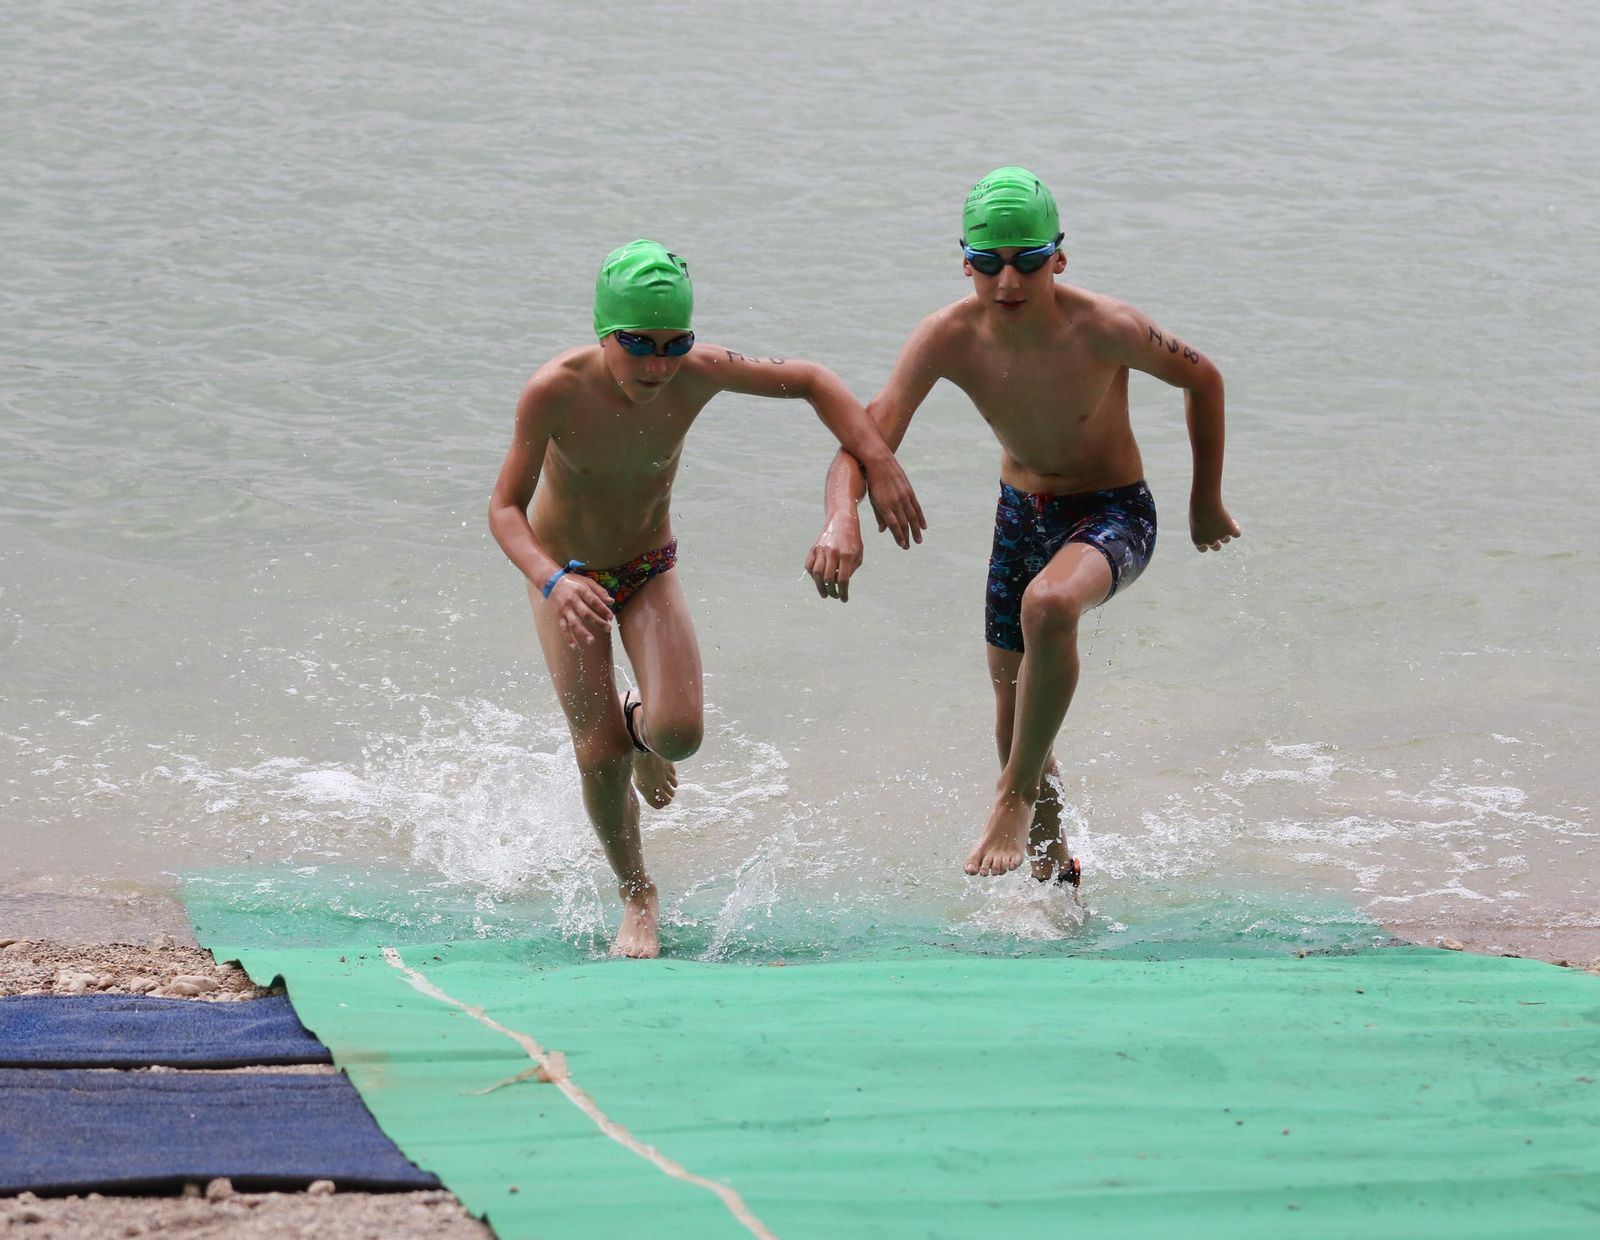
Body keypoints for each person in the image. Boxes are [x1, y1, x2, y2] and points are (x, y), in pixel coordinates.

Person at [489, 239, 925, 958]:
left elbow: (815, 380)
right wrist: (552, 579)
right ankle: (637, 893)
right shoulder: (554, 390)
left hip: (646, 566)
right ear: (604, 332)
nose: (658, 367)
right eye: (638, 345)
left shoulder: (701, 372)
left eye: (674, 344)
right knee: (597, 751)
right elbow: (505, 509)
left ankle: (644, 731)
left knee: (680, 736)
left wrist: (874, 463)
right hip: (564, 576)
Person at [805, 167, 1240, 887]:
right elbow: (864, 438)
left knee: (1050, 605)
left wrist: (1206, 500)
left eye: (1028, 262)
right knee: (1012, 716)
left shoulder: (1108, 327)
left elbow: (1205, 378)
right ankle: (1056, 871)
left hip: (1114, 512)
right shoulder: (946, 336)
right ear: (966, 261)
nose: (1008, 281)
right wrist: (841, 514)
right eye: (988, 263)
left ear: (1059, 258)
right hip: (1021, 517)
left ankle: (1011, 798)